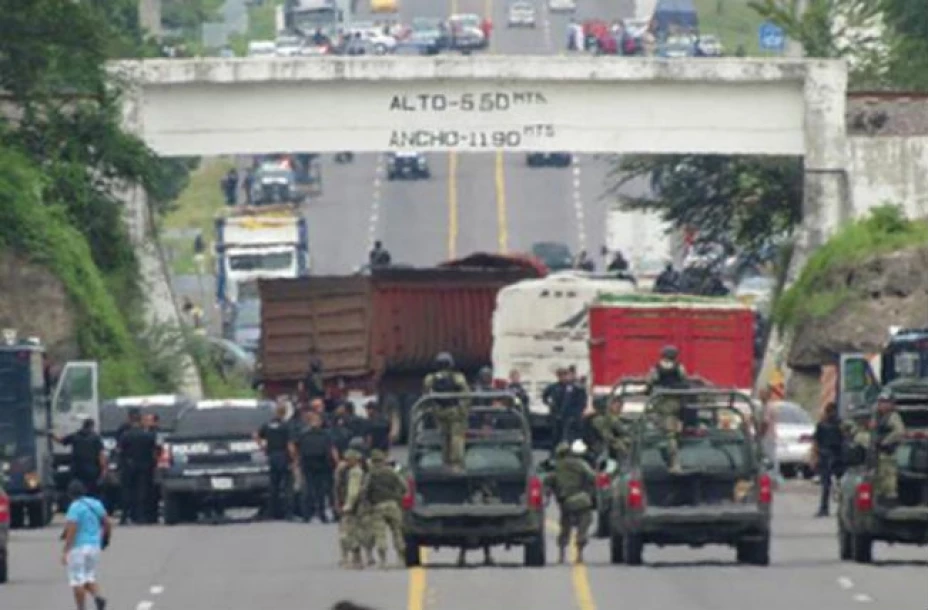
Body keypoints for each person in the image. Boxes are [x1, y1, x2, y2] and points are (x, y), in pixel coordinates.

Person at [543, 442, 596, 564]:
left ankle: (561, 555)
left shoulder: (556, 467)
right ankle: (579, 555)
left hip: (566, 503)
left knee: (565, 528)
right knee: (583, 527)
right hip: (582, 501)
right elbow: (593, 477)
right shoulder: (581, 464)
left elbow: (547, 483)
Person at [62, 479, 110, 610]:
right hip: (94, 546)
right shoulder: (95, 504)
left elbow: (72, 528)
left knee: (77, 580)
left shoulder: (74, 507)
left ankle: (81, 608)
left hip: (78, 547)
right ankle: (97, 596)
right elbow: (106, 522)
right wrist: (105, 538)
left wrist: (66, 550)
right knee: (89, 576)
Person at [422, 352, 471, 472]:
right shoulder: (457, 377)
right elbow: (466, 394)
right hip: (454, 411)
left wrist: (432, 409)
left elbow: (425, 395)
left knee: (444, 437)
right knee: (456, 437)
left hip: (439, 412)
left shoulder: (431, 378)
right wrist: (462, 410)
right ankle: (456, 464)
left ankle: (445, 462)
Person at [646, 345, 689, 473]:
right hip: (674, 403)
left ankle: (672, 462)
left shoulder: (656, 368)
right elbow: (685, 380)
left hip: (659, 402)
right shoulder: (679, 367)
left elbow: (649, 381)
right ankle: (674, 463)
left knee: (662, 432)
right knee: (671, 434)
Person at [291, 409, 338, 522]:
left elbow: (294, 446)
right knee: (318, 491)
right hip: (319, 464)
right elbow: (332, 449)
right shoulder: (326, 434)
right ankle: (321, 515)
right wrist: (336, 462)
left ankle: (307, 515)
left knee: (309, 490)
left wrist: (296, 459)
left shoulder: (303, 434)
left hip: (311, 464)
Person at [363, 449, 407, 567]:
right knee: (397, 532)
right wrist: (398, 497)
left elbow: (365, 491)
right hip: (393, 505)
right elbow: (404, 486)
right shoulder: (392, 472)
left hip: (378, 506)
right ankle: (401, 559)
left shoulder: (371, 475)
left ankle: (383, 561)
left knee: (380, 534)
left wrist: (367, 504)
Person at [117, 410, 158, 524]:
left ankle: (125, 516)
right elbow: (154, 450)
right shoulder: (148, 435)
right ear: (140, 421)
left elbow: (120, 451)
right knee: (142, 491)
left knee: (127, 490)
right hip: (144, 466)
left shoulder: (125, 435)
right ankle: (140, 516)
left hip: (128, 466)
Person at [256, 403, 293, 520]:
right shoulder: (286, 426)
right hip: (283, 455)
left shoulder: (267, 425)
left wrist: (262, 447)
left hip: (272, 455)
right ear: (285, 413)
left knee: (274, 485)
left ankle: (272, 512)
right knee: (287, 485)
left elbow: (256, 435)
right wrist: (294, 459)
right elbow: (290, 445)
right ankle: (288, 513)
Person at [55, 419, 107, 500]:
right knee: (91, 493)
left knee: (77, 493)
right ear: (92, 426)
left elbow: (61, 441)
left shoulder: (75, 436)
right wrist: (103, 470)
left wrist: (52, 435)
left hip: (77, 470)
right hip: (91, 470)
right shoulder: (96, 438)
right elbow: (101, 456)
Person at [873, 389, 906, 506]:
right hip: (880, 453)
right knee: (881, 477)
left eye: (885, 402)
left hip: (889, 452)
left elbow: (900, 431)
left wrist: (885, 441)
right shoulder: (879, 416)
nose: (882, 405)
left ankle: (890, 501)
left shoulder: (893, 416)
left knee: (889, 477)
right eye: (881, 402)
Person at [335, 449, 367, 568]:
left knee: (347, 532)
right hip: (352, 506)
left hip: (353, 506)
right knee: (350, 531)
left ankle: (351, 558)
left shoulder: (354, 472)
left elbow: (353, 492)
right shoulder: (347, 471)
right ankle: (352, 558)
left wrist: (348, 505)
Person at [812, 401, 844, 517]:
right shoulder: (839, 425)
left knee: (826, 485)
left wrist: (815, 456)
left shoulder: (822, 425)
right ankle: (838, 509)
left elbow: (816, 442)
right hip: (836, 456)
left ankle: (824, 508)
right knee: (839, 484)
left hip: (826, 455)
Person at [586, 396, 630, 462]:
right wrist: (620, 442)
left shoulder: (610, 417)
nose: (620, 409)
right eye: (617, 407)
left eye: (620, 407)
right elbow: (607, 436)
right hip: (599, 447)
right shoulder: (599, 418)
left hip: (603, 445)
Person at [543, 367, 571, 454]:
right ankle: (553, 454)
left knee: (566, 437)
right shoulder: (553, 387)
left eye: (565, 375)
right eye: (561, 376)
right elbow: (544, 396)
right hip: (555, 415)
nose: (563, 378)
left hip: (567, 416)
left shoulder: (571, 387)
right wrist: (549, 403)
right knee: (555, 437)